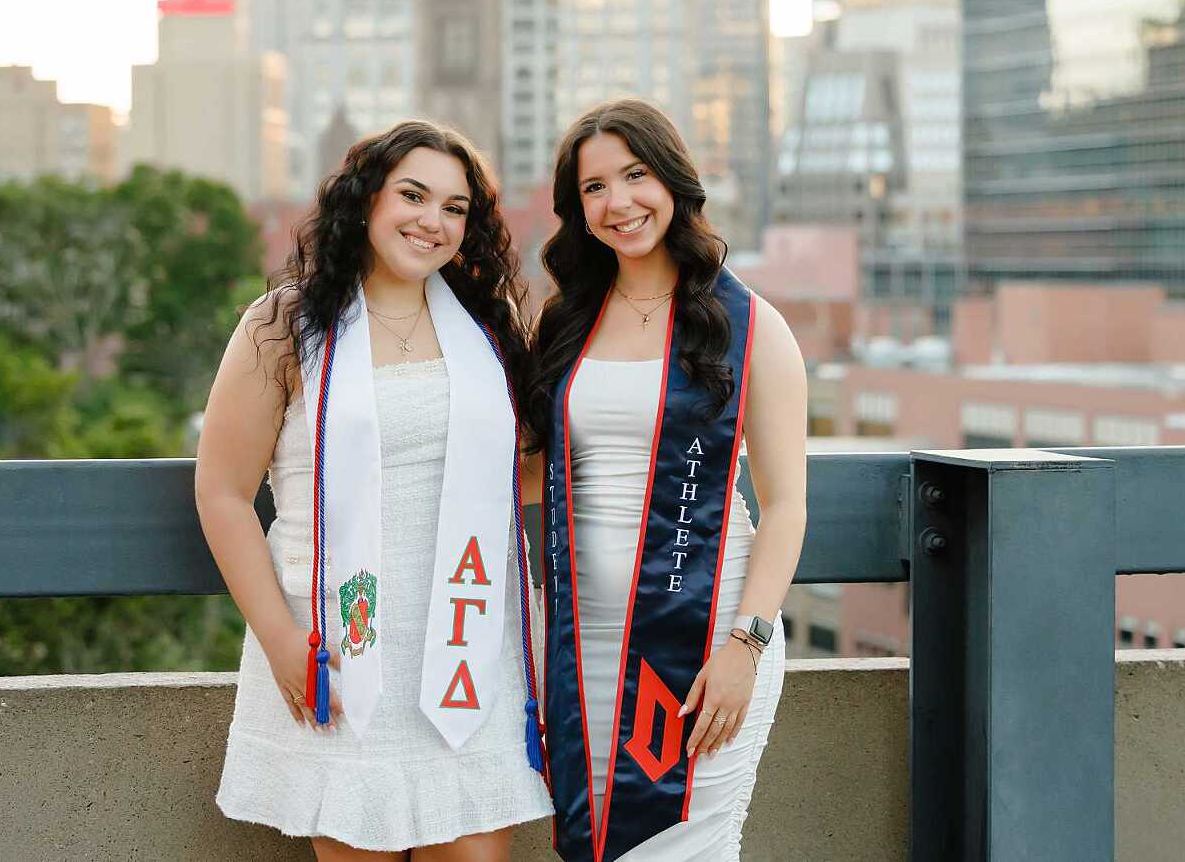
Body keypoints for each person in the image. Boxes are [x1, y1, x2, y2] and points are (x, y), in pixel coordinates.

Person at [196, 120, 552, 861]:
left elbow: (522, 470)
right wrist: (280, 638)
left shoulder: (490, 331)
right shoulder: (285, 326)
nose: (434, 220)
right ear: (364, 201)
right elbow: (224, 491)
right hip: (342, 649)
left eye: (455, 208)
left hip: (470, 647)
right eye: (414, 195)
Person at [526, 99, 808, 860]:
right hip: (578, 639)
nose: (618, 202)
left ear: (674, 181)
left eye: (635, 174)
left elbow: (785, 507)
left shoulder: (748, 326)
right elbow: (527, 471)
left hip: (706, 636)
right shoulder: (566, 323)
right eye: (593, 188)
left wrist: (744, 647)